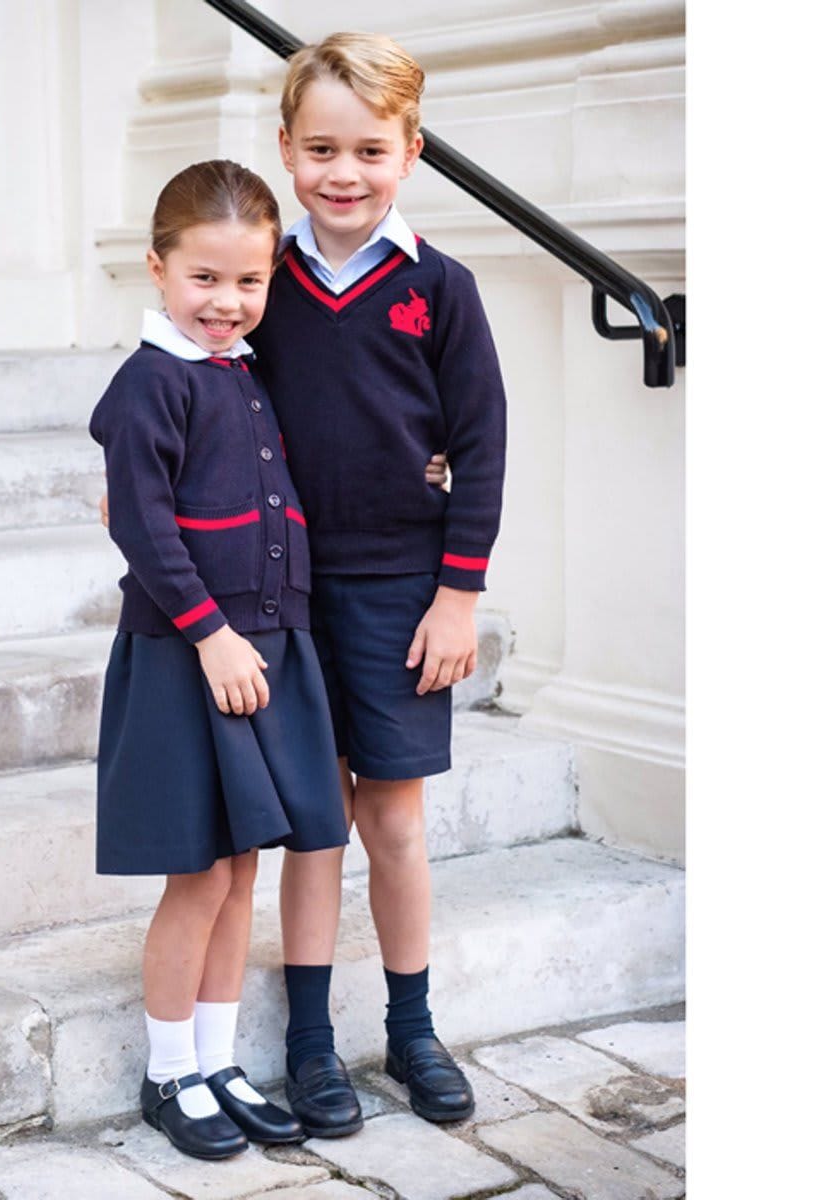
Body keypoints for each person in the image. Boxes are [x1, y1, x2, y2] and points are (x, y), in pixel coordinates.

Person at [246, 32, 507, 1134]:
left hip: (402, 594)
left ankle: (411, 1029)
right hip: (288, 595)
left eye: (368, 149)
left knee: (391, 821)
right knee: (315, 825)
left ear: (411, 152)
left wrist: (459, 594)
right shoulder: (263, 281)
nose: (341, 173)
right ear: (286, 149)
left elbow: (482, 444)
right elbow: (202, 392)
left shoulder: (439, 288)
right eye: (319, 149)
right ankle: (311, 1049)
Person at [88, 159, 350, 1161]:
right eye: (205, 279)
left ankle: (217, 1057)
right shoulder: (149, 385)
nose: (228, 303)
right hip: (190, 657)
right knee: (196, 877)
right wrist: (212, 633)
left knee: (242, 870)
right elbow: (147, 532)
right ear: (157, 269)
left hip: (261, 653)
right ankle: (167, 1076)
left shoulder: (236, 368)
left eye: (249, 283)